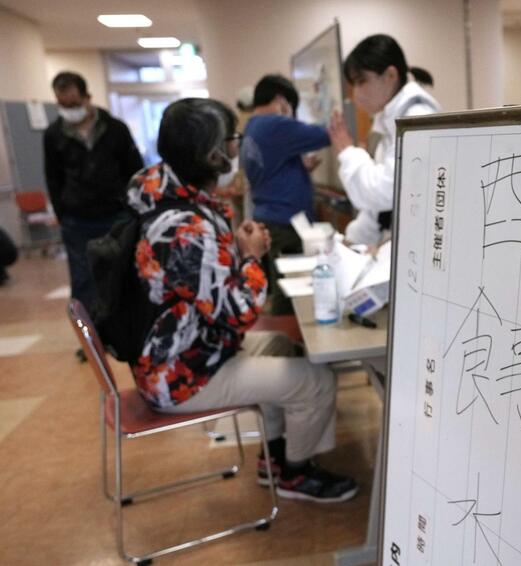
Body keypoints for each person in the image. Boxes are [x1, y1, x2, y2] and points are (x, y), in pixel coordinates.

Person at [127, 97, 357, 503]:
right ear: (212, 153)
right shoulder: (182, 225)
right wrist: (252, 257)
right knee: (317, 379)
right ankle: (295, 473)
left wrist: (232, 247)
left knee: (285, 347)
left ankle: (275, 460)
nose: (238, 147)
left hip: (187, 349)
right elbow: (239, 314)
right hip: (182, 375)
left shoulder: (169, 196)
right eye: (232, 139)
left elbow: (198, 278)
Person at [44, 71, 144, 359]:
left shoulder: (115, 129)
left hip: (115, 215)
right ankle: (90, 341)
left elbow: (133, 170)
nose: (70, 110)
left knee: (123, 274)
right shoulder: (54, 135)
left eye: (74, 103)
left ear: (87, 98)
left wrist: (134, 209)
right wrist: (62, 211)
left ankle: (127, 331)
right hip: (77, 219)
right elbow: (53, 177)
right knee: (83, 281)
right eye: (63, 104)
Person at [328, 34, 440, 246]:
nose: (356, 94)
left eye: (361, 81)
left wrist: (347, 152)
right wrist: (351, 241)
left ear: (390, 75)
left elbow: (384, 191)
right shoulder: (391, 124)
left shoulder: (418, 118)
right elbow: (377, 212)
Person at [241, 74, 331, 315]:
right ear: (282, 101)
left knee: (281, 286)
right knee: (291, 292)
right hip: (285, 223)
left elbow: (269, 169)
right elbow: (324, 135)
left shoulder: (252, 127)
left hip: (269, 217)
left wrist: (301, 168)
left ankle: (287, 339)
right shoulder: (274, 124)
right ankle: (289, 345)